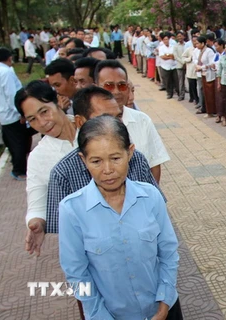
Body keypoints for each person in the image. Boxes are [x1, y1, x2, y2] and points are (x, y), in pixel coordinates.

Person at [59, 115, 182, 320]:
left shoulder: (150, 196)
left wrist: (163, 304)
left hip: (164, 309)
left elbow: (168, 253)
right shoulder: (72, 210)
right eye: (96, 161)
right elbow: (77, 274)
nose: (108, 170)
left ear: (130, 153)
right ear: (83, 160)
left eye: (116, 158)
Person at [46, 86, 163, 235]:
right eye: (105, 118)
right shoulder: (62, 173)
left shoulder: (136, 158)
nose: (115, 125)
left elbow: (157, 214)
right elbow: (63, 235)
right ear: (80, 122)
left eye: (118, 117)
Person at [15, 80, 78, 257]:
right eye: (32, 119)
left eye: (44, 111)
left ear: (58, 101)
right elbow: (37, 204)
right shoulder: (39, 157)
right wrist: (37, 224)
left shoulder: (93, 128)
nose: (42, 123)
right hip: (82, 242)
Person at [94, 59, 170, 183]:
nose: (116, 91)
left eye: (122, 86)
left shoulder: (142, 120)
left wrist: (152, 196)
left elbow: (154, 163)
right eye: (109, 86)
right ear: (96, 87)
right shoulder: (87, 123)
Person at [0, 48, 32, 180]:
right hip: (13, 114)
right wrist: (21, 113)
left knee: (13, 142)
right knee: (19, 143)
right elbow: (11, 95)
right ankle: (19, 170)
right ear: (9, 58)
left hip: (3, 114)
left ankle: (18, 167)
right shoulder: (6, 72)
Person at [195, 36, 216, 117]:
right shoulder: (200, 51)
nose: (196, 45)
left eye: (197, 43)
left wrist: (202, 67)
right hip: (203, 74)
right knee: (205, 94)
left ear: (203, 43)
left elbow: (211, 64)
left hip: (209, 75)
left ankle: (211, 111)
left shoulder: (209, 51)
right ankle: (208, 110)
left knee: (209, 94)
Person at [159, 33, 178, 100]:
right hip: (165, 66)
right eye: (164, 39)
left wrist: (167, 55)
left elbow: (174, 56)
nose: (166, 41)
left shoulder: (173, 46)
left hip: (173, 66)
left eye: (167, 39)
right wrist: (169, 56)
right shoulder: (161, 47)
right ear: (163, 40)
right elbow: (162, 57)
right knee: (167, 81)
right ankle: (169, 93)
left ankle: (178, 92)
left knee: (176, 80)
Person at [174, 31, 186, 101]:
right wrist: (182, 62)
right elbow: (176, 56)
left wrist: (185, 63)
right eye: (178, 36)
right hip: (179, 65)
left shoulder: (187, 45)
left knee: (190, 81)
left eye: (181, 36)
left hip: (188, 65)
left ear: (183, 36)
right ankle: (181, 95)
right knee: (181, 81)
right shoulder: (175, 46)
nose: (180, 37)